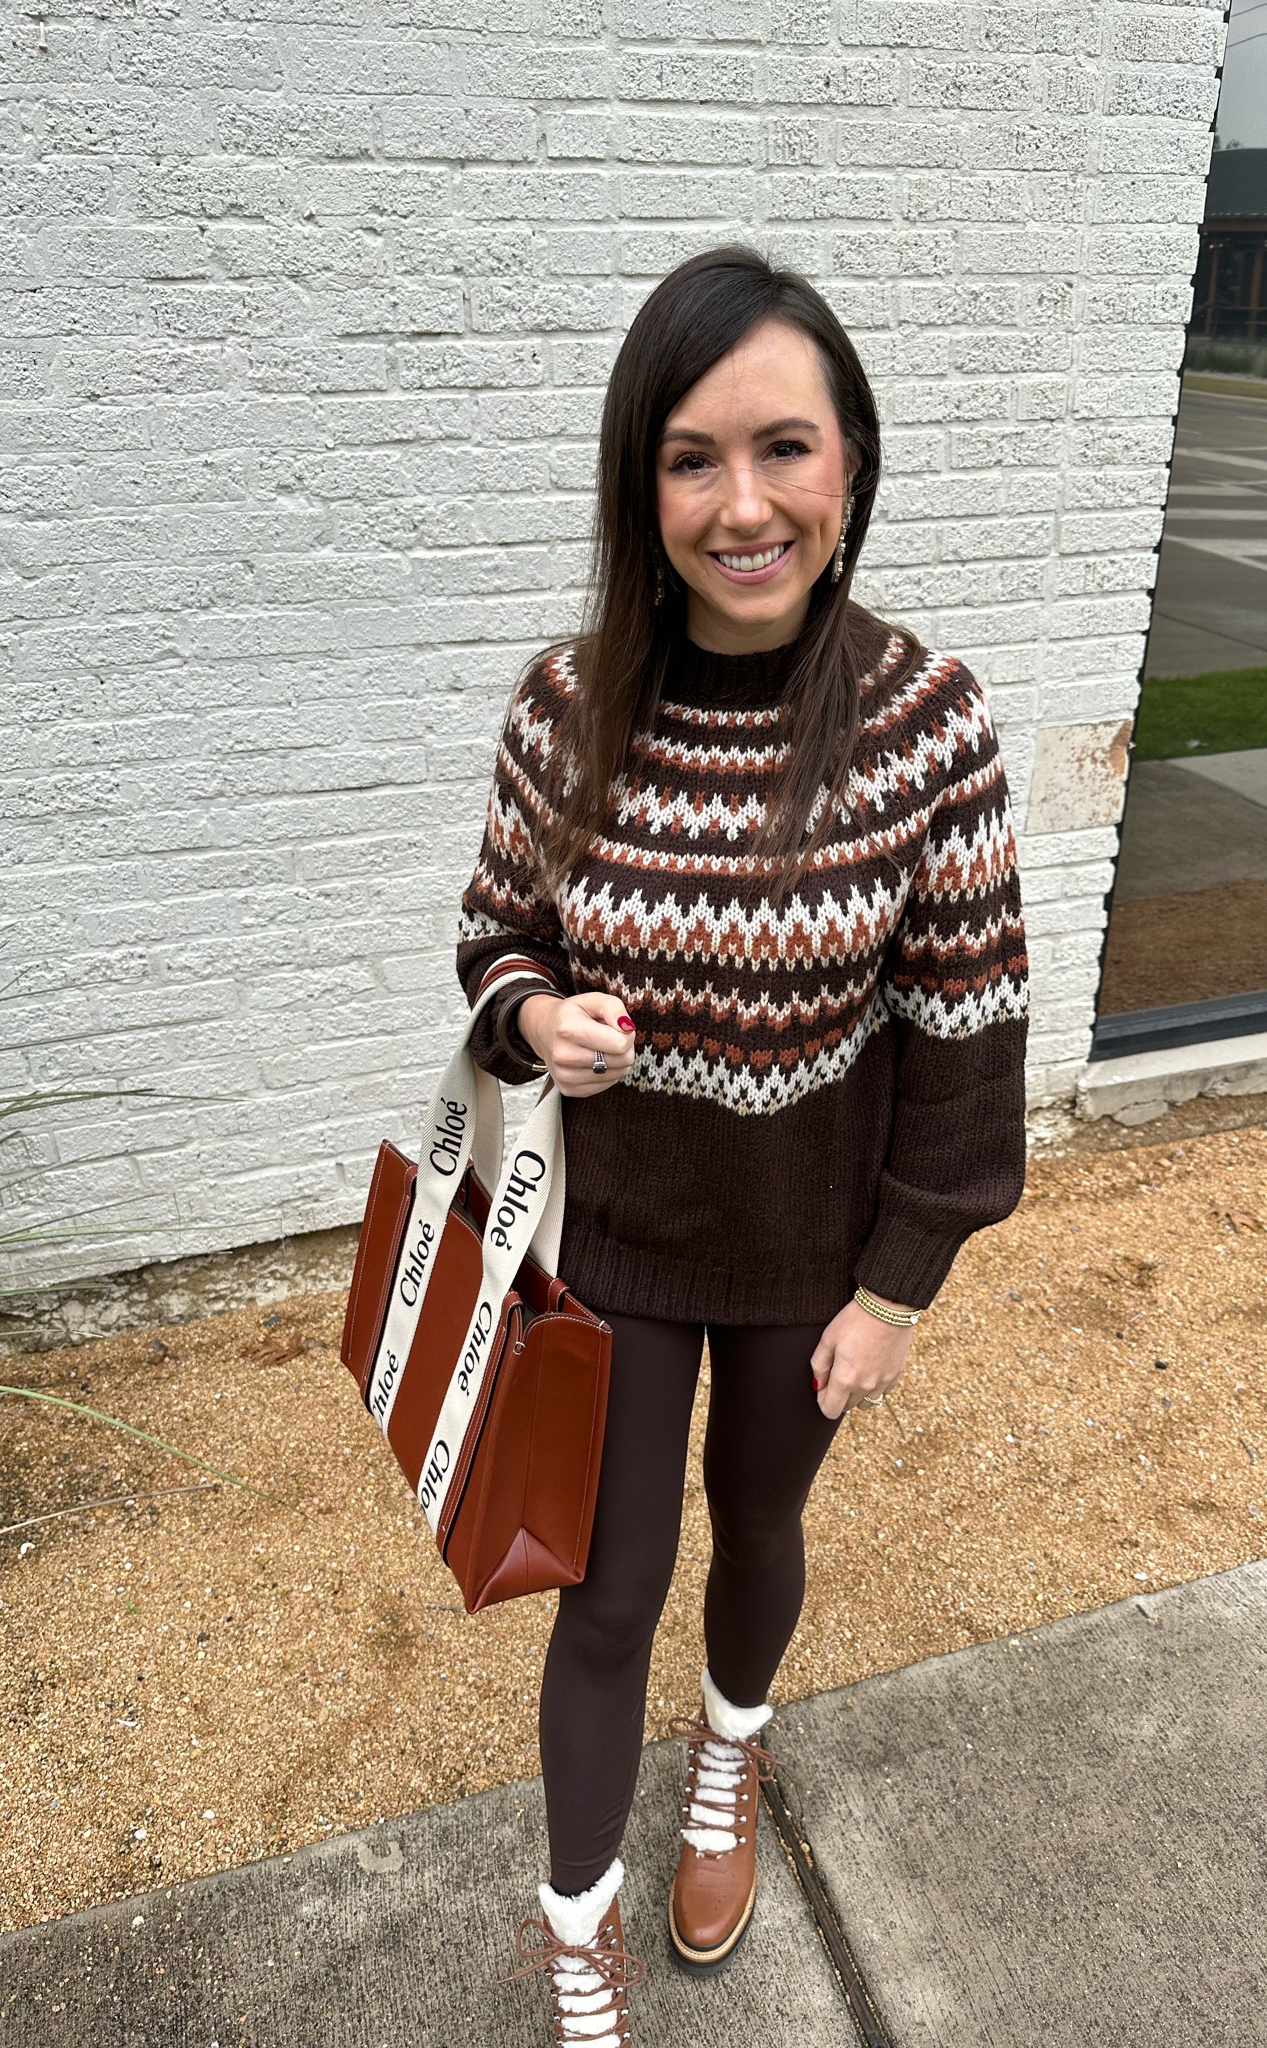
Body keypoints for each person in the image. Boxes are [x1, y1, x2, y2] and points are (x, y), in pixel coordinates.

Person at [458, 245, 1028, 2045]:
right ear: (645, 484)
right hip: (611, 1250)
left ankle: (733, 1759)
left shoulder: (926, 723)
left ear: (850, 462)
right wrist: (538, 1016)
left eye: (785, 447)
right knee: (604, 1590)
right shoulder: (572, 704)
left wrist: (902, 1284)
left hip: (810, 1261)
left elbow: (966, 1029)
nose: (743, 503)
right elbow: (495, 939)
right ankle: (577, 1934)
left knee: (759, 1523)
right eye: (694, 457)